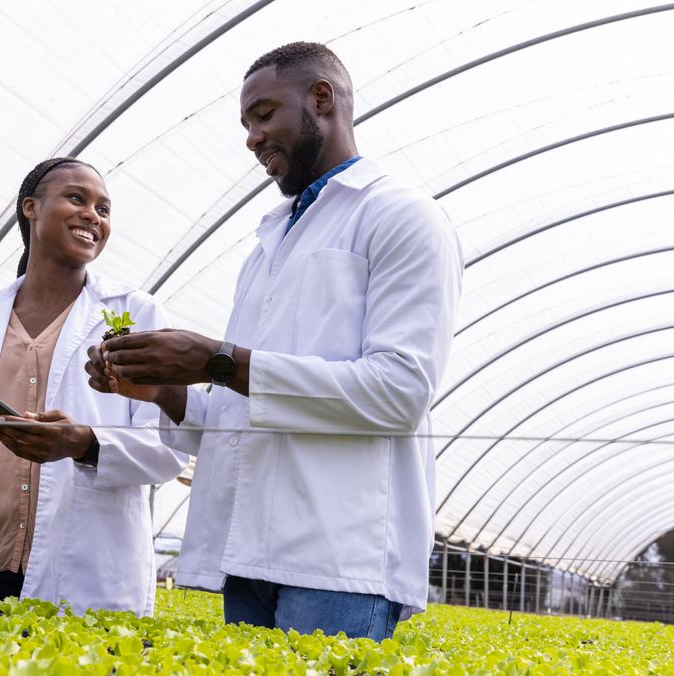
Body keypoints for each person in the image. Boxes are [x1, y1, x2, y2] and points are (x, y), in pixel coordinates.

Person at [86, 42, 463, 641]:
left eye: (263, 115)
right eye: (246, 124)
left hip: (340, 564)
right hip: (249, 557)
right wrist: (162, 389)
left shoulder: (400, 214)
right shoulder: (270, 244)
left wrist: (215, 359)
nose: (252, 138)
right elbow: (241, 403)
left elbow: (398, 391)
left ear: (322, 98)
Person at [0, 157, 186, 614]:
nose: (93, 215)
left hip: (80, 572)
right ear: (30, 208)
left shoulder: (136, 314)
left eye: (104, 209)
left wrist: (84, 444)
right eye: (77, 198)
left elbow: (171, 447)